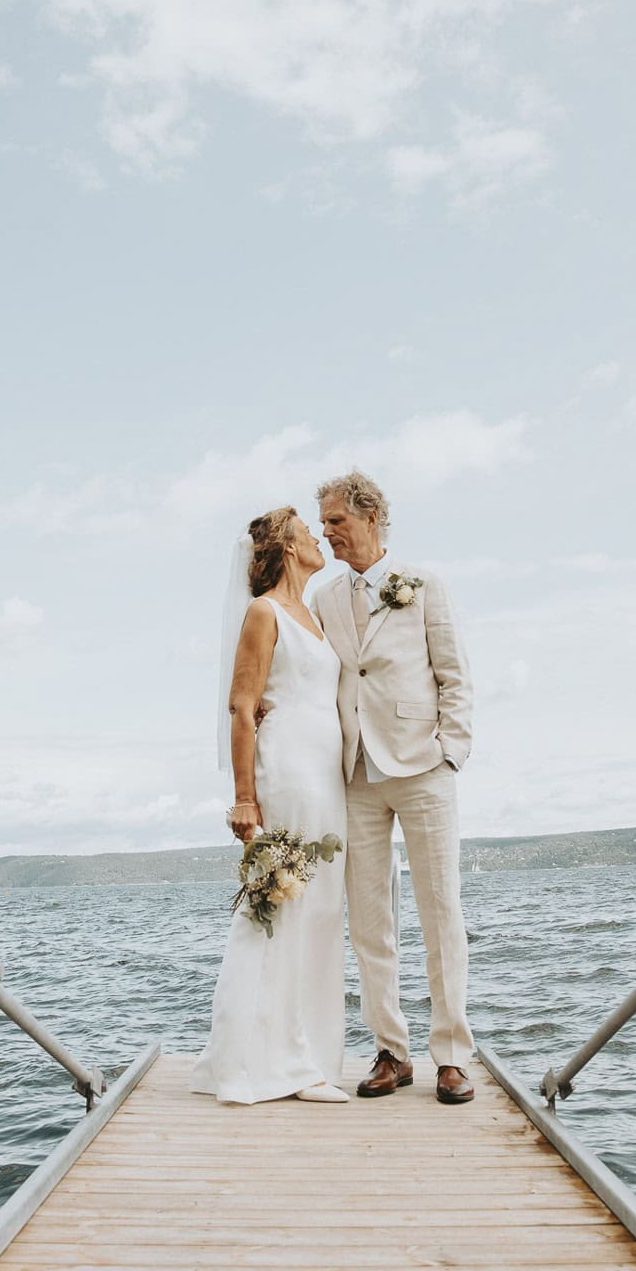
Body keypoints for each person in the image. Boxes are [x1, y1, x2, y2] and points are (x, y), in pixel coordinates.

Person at [313, 470, 475, 1104]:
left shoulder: (425, 585)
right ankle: (390, 1051)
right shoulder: (324, 599)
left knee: (441, 915)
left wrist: (451, 752)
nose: (326, 532)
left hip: (422, 766)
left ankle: (452, 1057)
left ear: (371, 518)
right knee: (369, 923)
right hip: (354, 774)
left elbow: (454, 673)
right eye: (322, 522)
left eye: (336, 521)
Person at [190, 507, 349, 1105]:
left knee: (322, 914)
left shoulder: (314, 615)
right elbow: (241, 705)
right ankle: (270, 1061)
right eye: (307, 529)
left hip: (327, 777)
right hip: (287, 773)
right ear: (285, 545)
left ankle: (309, 1055)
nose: (317, 535)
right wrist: (244, 796)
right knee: (280, 909)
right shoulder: (265, 612)